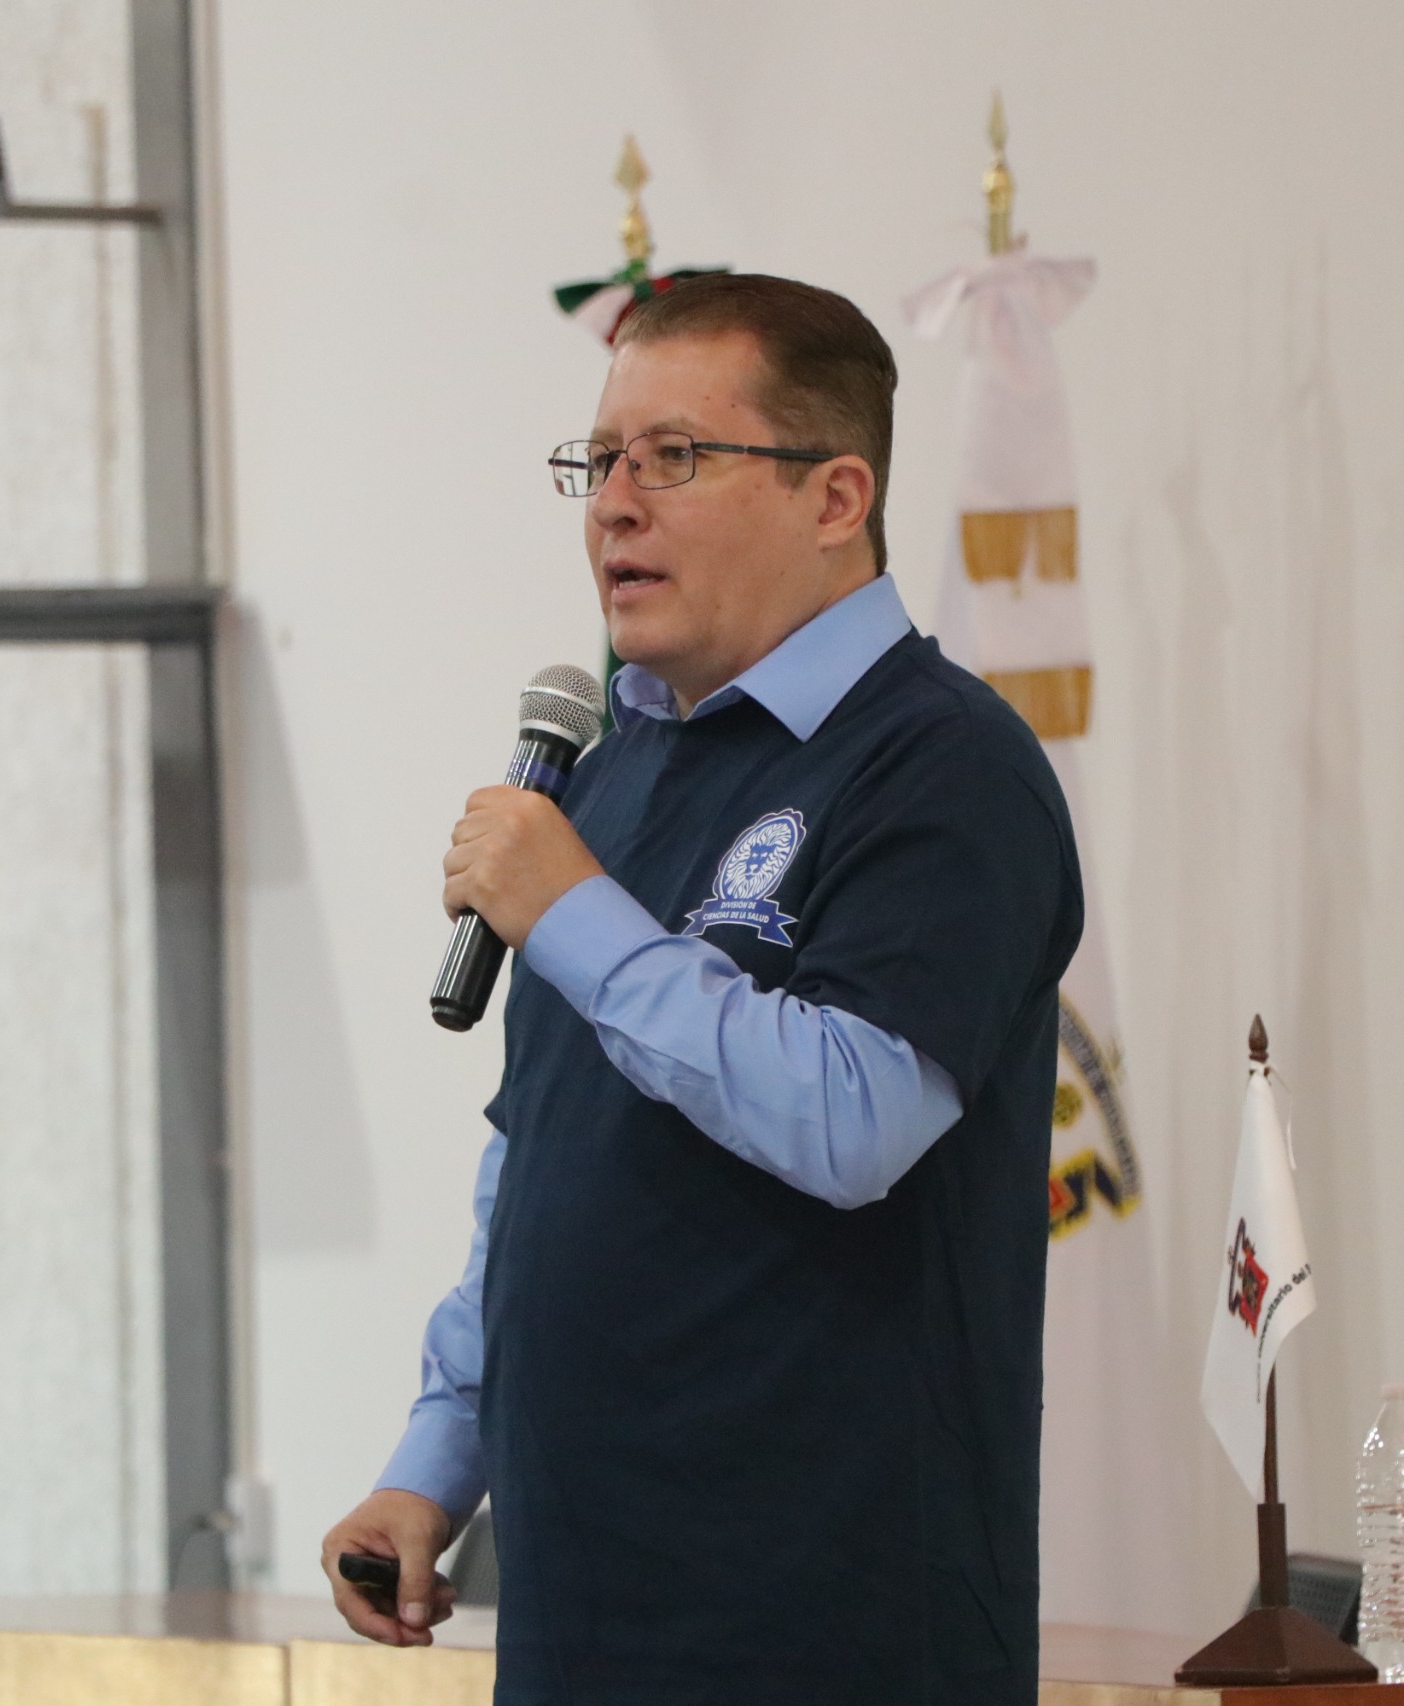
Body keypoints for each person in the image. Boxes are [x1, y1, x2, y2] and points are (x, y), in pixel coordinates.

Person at [320, 274, 1082, 1704]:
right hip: (584, 1619)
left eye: (673, 457)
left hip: (829, 1631)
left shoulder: (943, 764)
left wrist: (575, 914)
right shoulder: (610, 773)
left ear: (836, 496)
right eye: (600, 460)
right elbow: (538, 1165)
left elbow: (855, 1118)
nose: (614, 505)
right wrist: (436, 1461)